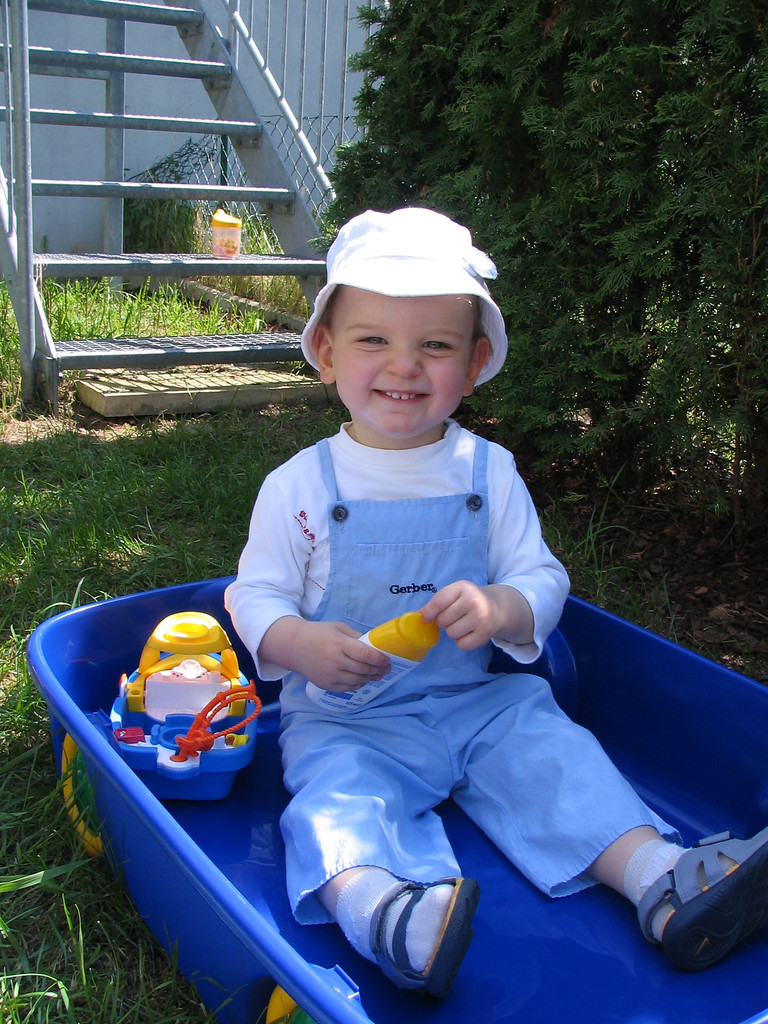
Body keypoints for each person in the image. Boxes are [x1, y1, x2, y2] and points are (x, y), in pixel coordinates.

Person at [225, 207, 768, 999]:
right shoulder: (301, 486)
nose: (404, 366)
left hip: (475, 702)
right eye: (373, 339)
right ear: (326, 352)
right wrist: (297, 644)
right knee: (337, 799)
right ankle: (386, 910)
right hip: (350, 718)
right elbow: (255, 593)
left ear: (475, 362)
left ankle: (660, 879)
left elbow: (541, 577)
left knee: (552, 752)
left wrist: (503, 608)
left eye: (435, 345)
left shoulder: (490, 472)